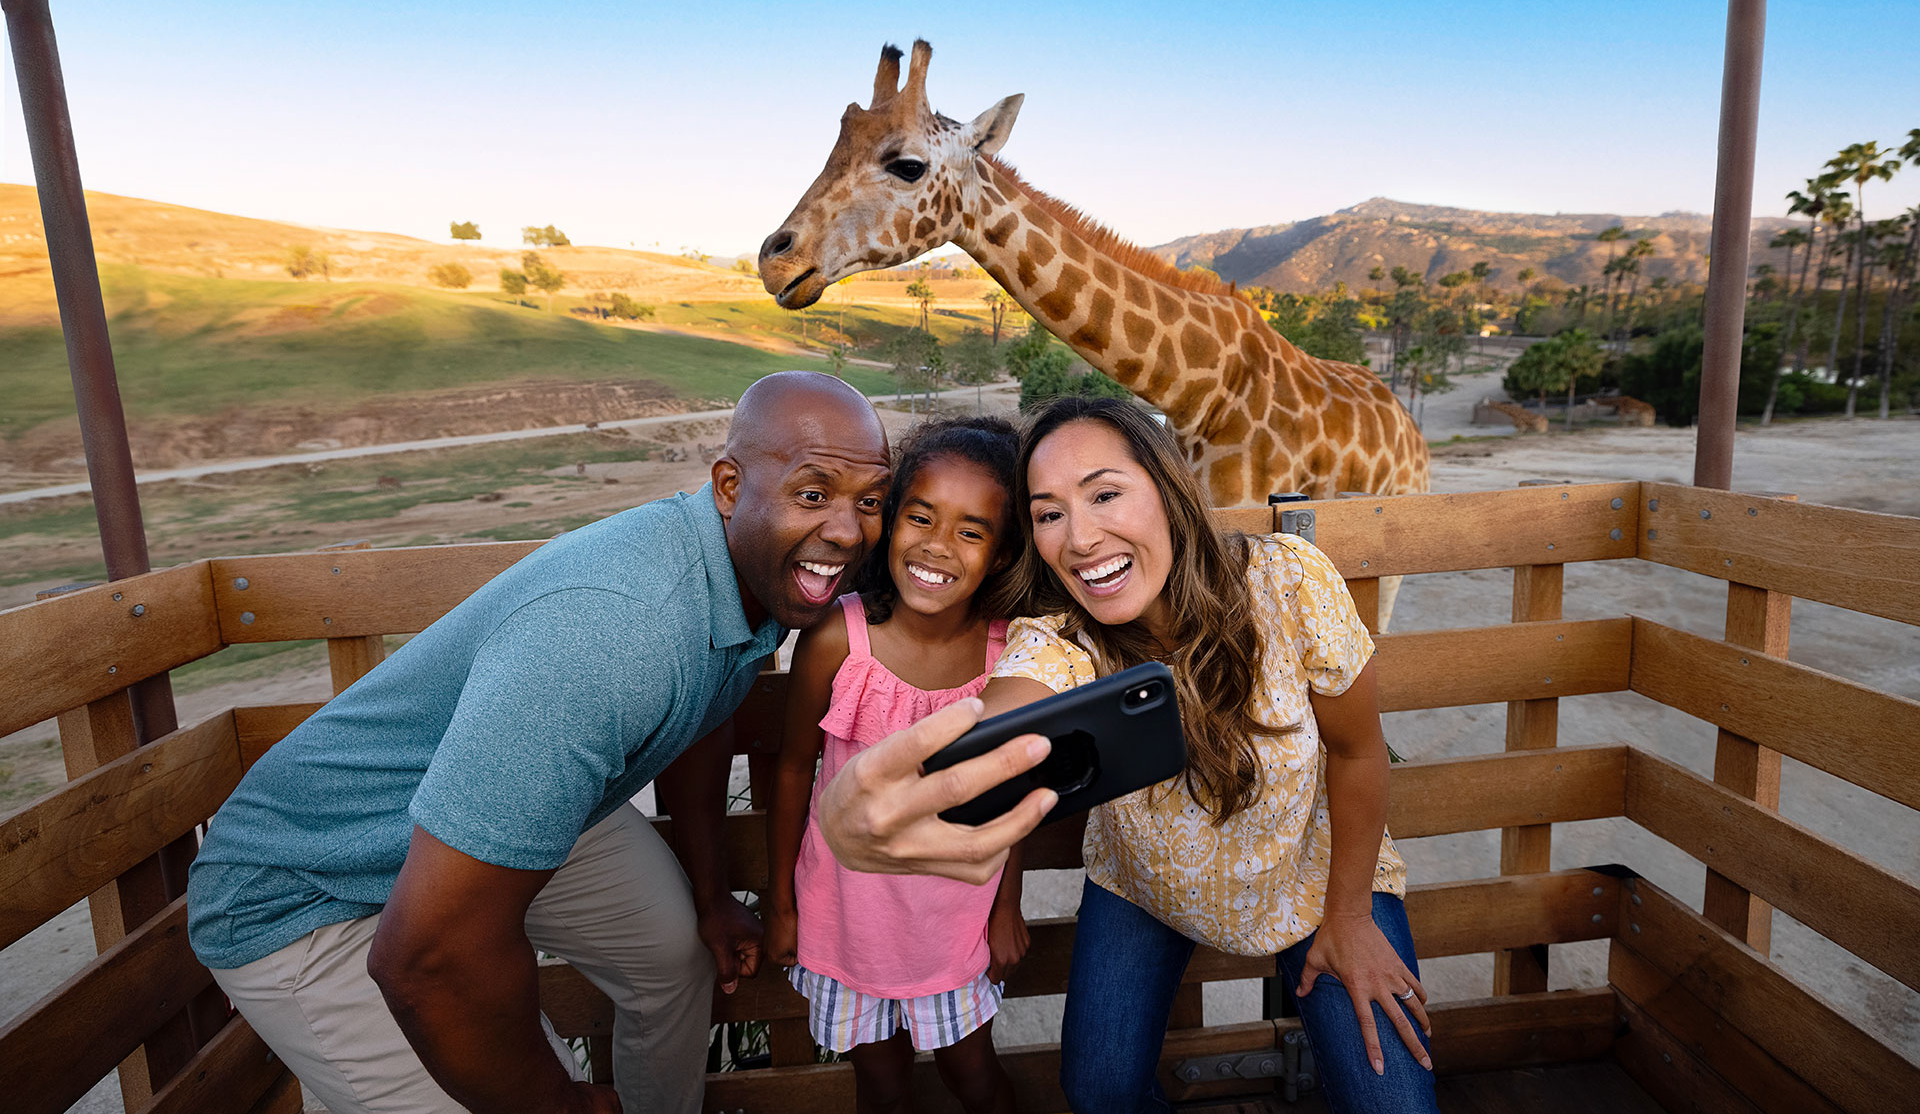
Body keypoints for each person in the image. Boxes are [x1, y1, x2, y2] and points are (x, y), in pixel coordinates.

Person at [186, 371, 890, 1114]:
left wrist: (712, 894)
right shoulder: (615, 635)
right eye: (813, 493)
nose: (848, 530)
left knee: (674, 957)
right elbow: (428, 959)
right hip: (307, 894)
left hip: (496, 808)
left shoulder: (751, 573)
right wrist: (563, 1105)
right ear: (727, 485)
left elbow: (702, 710)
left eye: (868, 500)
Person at [980, 395, 1436, 1114]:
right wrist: (940, 769)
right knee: (1099, 1092)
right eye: (1048, 513)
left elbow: (1357, 751)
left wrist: (1349, 915)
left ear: (1167, 488)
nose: (1080, 537)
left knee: (1397, 1108)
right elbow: (1005, 712)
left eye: (1104, 493)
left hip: (1318, 873)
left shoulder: (1288, 583)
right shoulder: (1063, 638)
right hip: (1147, 883)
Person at [766, 417, 1028, 1114]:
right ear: (890, 521)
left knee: (974, 1075)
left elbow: (1014, 793)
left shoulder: (1010, 659)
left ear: (1001, 555)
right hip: (848, 918)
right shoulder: (836, 640)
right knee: (880, 1085)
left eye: (971, 531)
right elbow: (793, 770)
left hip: (955, 920)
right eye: (920, 516)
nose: (938, 546)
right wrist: (782, 905)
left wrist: (1008, 906)